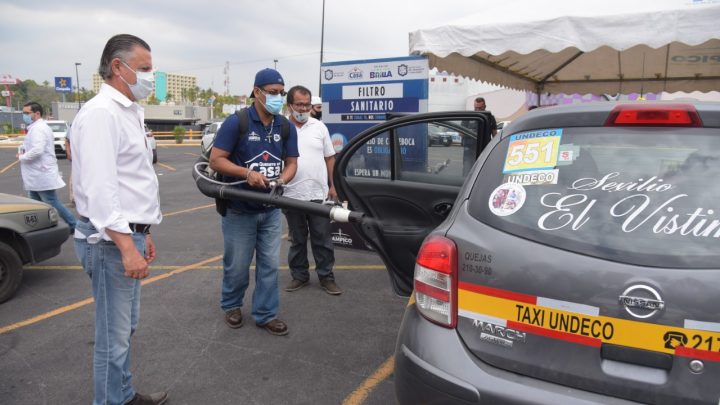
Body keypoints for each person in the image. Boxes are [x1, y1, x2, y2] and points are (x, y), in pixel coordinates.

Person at [71, 34, 166, 405]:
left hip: (126, 236)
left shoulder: (127, 111)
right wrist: (128, 246)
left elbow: (130, 182)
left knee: (125, 330)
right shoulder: (101, 113)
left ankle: (123, 395)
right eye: (143, 68)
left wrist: (143, 233)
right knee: (113, 340)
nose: (149, 76)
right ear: (117, 67)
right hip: (109, 243)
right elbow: (99, 190)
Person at [209, 68, 299, 336]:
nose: (278, 98)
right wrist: (247, 173)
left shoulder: (284, 126)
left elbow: (292, 162)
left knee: (269, 266)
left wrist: (282, 179)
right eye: (273, 93)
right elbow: (216, 160)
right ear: (257, 92)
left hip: (270, 211)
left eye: (281, 93)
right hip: (239, 211)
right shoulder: (237, 122)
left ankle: (265, 314)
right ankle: (232, 305)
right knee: (237, 266)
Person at [283, 86, 341, 296]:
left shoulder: (319, 127)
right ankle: (299, 276)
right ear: (290, 105)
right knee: (297, 239)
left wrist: (333, 186)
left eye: (307, 104)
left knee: (322, 239)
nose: (304, 108)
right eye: (299, 104)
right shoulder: (281, 128)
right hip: (291, 195)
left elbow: (329, 157)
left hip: (318, 195)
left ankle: (326, 277)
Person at [17, 101, 77, 233]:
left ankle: (74, 225)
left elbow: (38, 150)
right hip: (36, 175)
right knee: (36, 204)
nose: (24, 115)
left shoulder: (39, 129)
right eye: (24, 113)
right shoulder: (35, 128)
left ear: (37, 113)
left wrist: (22, 157)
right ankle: (42, 228)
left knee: (51, 201)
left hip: (41, 174)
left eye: (27, 113)